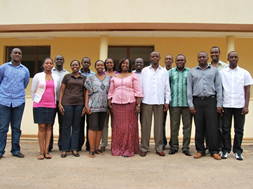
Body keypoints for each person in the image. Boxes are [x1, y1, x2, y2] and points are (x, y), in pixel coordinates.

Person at [187, 51, 222, 160]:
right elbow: (189, 89)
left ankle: (214, 150)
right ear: (197, 59)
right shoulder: (192, 71)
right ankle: (200, 150)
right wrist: (191, 105)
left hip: (211, 101)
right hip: (197, 102)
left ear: (207, 58)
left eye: (204, 57)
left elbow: (219, 87)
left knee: (212, 127)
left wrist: (219, 103)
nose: (202, 58)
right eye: (200, 57)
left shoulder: (214, 71)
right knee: (199, 127)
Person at [220, 51, 253, 160]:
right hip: (226, 105)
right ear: (228, 59)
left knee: (239, 129)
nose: (233, 59)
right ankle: (225, 150)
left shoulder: (244, 73)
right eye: (231, 57)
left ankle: (238, 151)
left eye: (235, 57)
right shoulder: (222, 73)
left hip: (240, 105)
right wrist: (220, 105)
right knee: (225, 129)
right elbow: (219, 90)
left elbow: (247, 90)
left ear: (238, 59)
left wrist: (246, 105)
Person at [108, 57, 143, 157]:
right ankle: (117, 149)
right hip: (117, 104)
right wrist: (109, 102)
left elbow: (138, 91)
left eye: (127, 64)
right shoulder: (115, 76)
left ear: (130, 65)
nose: (125, 65)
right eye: (123, 63)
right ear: (120, 64)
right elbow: (111, 90)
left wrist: (138, 105)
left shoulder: (133, 75)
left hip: (130, 103)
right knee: (118, 127)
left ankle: (129, 149)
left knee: (129, 127)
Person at [0, 48, 30, 159]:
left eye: (19, 53)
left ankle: (16, 150)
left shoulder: (25, 70)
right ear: (11, 54)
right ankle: (0, 151)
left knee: (16, 128)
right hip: (4, 101)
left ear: (21, 56)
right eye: (15, 53)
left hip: (18, 101)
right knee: (3, 128)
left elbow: (25, 84)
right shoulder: (3, 68)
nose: (17, 54)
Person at [140, 51, 170, 157]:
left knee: (158, 126)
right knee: (145, 126)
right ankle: (144, 147)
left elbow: (167, 88)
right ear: (150, 58)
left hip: (159, 101)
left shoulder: (164, 72)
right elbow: (141, 87)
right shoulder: (145, 71)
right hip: (146, 101)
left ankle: (159, 148)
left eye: (157, 56)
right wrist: (140, 102)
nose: (155, 58)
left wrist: (167, 102)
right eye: (153, 56)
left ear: (159, 58)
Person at [31, 57, 60, 160]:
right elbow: (33, 91)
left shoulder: (56, 77)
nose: (49, 65)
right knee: (41, 127)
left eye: (51, 63)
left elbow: (57, 91)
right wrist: (37, 101)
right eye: (47, 63)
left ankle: (47, 151)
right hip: (39, 105)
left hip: (51, 105)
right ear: (43, 65)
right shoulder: (38, 76)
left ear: (53, 65)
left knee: (49, 127)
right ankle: (41, 151)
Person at [59, 60, 86, 158]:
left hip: (79, 103)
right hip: (67, 103)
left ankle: (74, 148)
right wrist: (60, 104)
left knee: (76, 126)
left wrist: (85, 105)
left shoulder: (84, 77)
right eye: (73, 65)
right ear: (70, 66)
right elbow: (62, 91)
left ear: (79, 66)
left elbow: (85, 92)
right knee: (66, 126)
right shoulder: (66, 77)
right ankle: (65, 149)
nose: (75, 66)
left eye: (76, 65)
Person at [85, 60, 111, 158]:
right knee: (92, 127)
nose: (100, 66)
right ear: (95, 67)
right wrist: (86, 106)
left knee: (100, 128)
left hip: (104, 107)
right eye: (98, 65)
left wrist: (109, 106)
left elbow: (110, 93)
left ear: (104, 67)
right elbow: (86, 92)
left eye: (101, 65)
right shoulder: (90, 77)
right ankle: (91, 149)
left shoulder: (108, 78)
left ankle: (97, 148)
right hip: (93, 106)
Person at [206, 46, 229, 154]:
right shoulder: (207, 66)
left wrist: (221, 102)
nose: (214, 54)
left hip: (222, 99)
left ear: (220, 53)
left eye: (216, 52)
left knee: (220, 125)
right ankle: (210, 145)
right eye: (212, 52)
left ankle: (221, 146)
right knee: (209, 124)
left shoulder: (225, 67)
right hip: (210, 99)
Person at [168, 54, 192, 156]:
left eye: (182, 60)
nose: (180, 61)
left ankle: (186, 147)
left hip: (187, 104)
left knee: (187, 127)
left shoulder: (190, 72)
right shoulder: (170, 72)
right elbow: (167, 88)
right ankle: (174, 147)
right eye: (178, 60)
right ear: (175, 62)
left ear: (185, 61)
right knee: (174, 127)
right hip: (174, 104)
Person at [49, 55, 69, 152]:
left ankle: (62, 145)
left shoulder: (67, 74)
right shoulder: (50, 72)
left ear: (63, 61)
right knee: (50, 124)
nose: (59, 61)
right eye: (57, 59)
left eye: (61, 59)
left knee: (63, 124)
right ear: (55, 61)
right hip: (51, 101)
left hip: (63, 102)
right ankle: (49, 145)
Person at [100, 58, 118, 152]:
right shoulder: (102, 74)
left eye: (111, 62)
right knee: (104, 124)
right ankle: (104, 144)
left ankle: (115, 143)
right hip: (103, 101)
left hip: (116, 101)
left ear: (114, 64)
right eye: (107, 63)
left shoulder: (118, 74)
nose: (109, 64)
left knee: (115, 124)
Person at [79, 57, 95, 151]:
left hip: (91, 102)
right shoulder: (77, 74)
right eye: (84, 62)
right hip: (79, 100)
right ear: (82, 63)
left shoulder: (93, 74)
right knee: (80, 124)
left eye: (88, 62)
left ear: (90, 64)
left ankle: (90, 145)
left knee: (90, 124)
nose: (86, 64)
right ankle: (79, 144)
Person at [163, 55, 173, 150]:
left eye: (170, 59)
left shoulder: (174, 71)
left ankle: (173, 143)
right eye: (167, 59)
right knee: (162, 123)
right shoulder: (161, 71)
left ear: (172, 61)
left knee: (174, 123)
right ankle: (163, 142)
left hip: (175, 101)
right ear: (164, 61)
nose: (168, 60)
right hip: (164, 101)